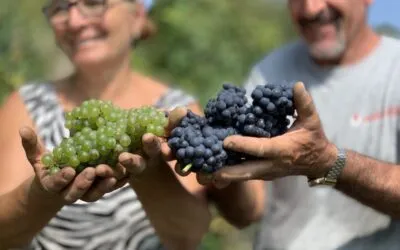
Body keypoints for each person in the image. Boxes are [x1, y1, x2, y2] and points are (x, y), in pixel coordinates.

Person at [172, 0, 400, 249]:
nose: (311, 9)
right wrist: (217, 162)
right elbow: (248, 212)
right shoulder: (269, 71)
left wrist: (328, 164)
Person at [0, 0, 211, 249]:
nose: (75, 21)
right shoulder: (24, 104)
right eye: (59, 8)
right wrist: (41, 196)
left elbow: (189, 237)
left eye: (93, 2)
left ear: (138, 16)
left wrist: (151, 172)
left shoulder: (176, 113)